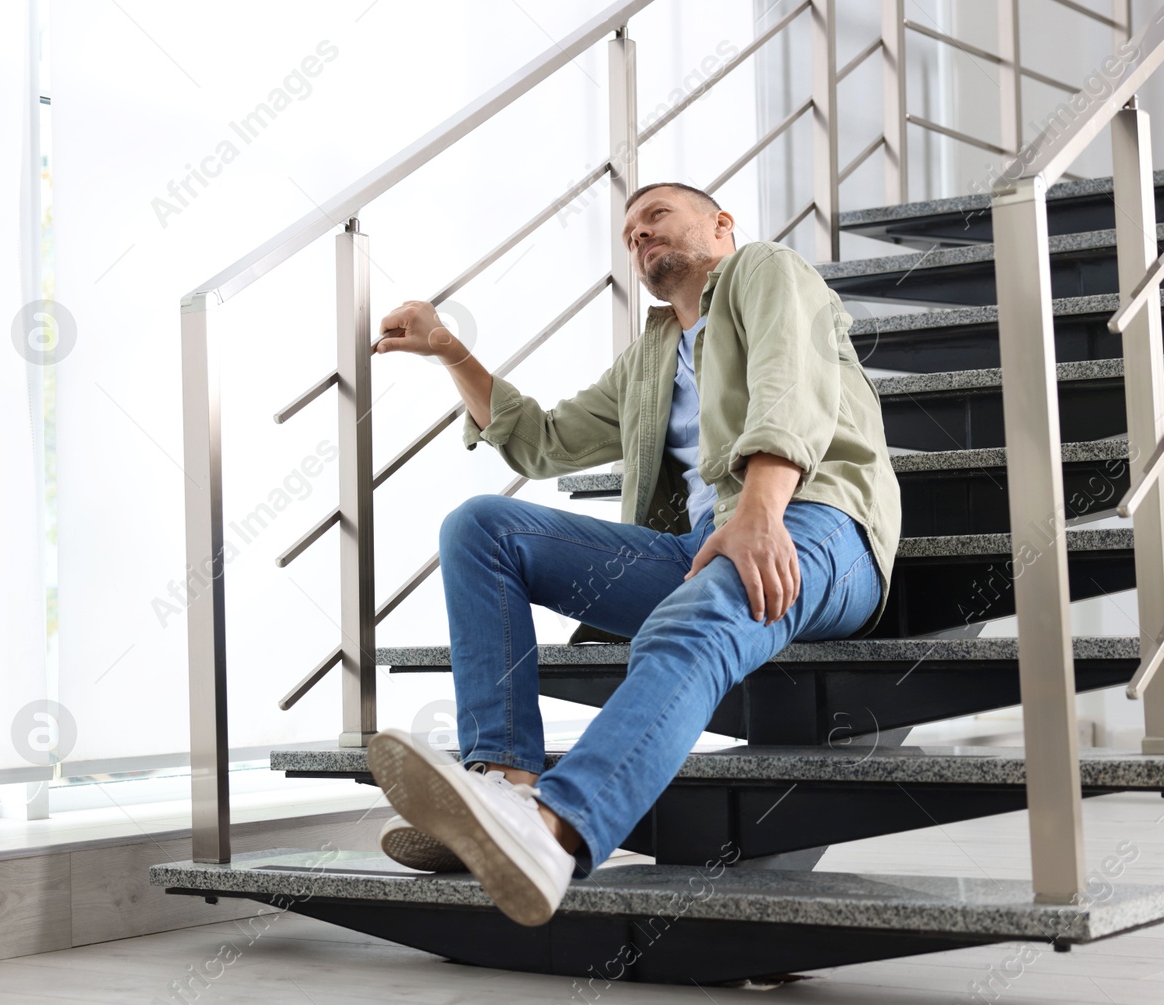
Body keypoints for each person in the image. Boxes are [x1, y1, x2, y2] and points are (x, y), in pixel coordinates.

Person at [364, 181, 901, 927]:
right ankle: (505, 787)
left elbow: (792, 386)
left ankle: (557, 831)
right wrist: (452, 351)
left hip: (820, 523)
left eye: (657, 216)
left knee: (693, 618)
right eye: (629, 233)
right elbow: (543, 440)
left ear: (719, 227)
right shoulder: (652, 358)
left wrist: (759, 510)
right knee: (481, 529)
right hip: (698, 544)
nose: (640, 235)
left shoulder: (766, 270)